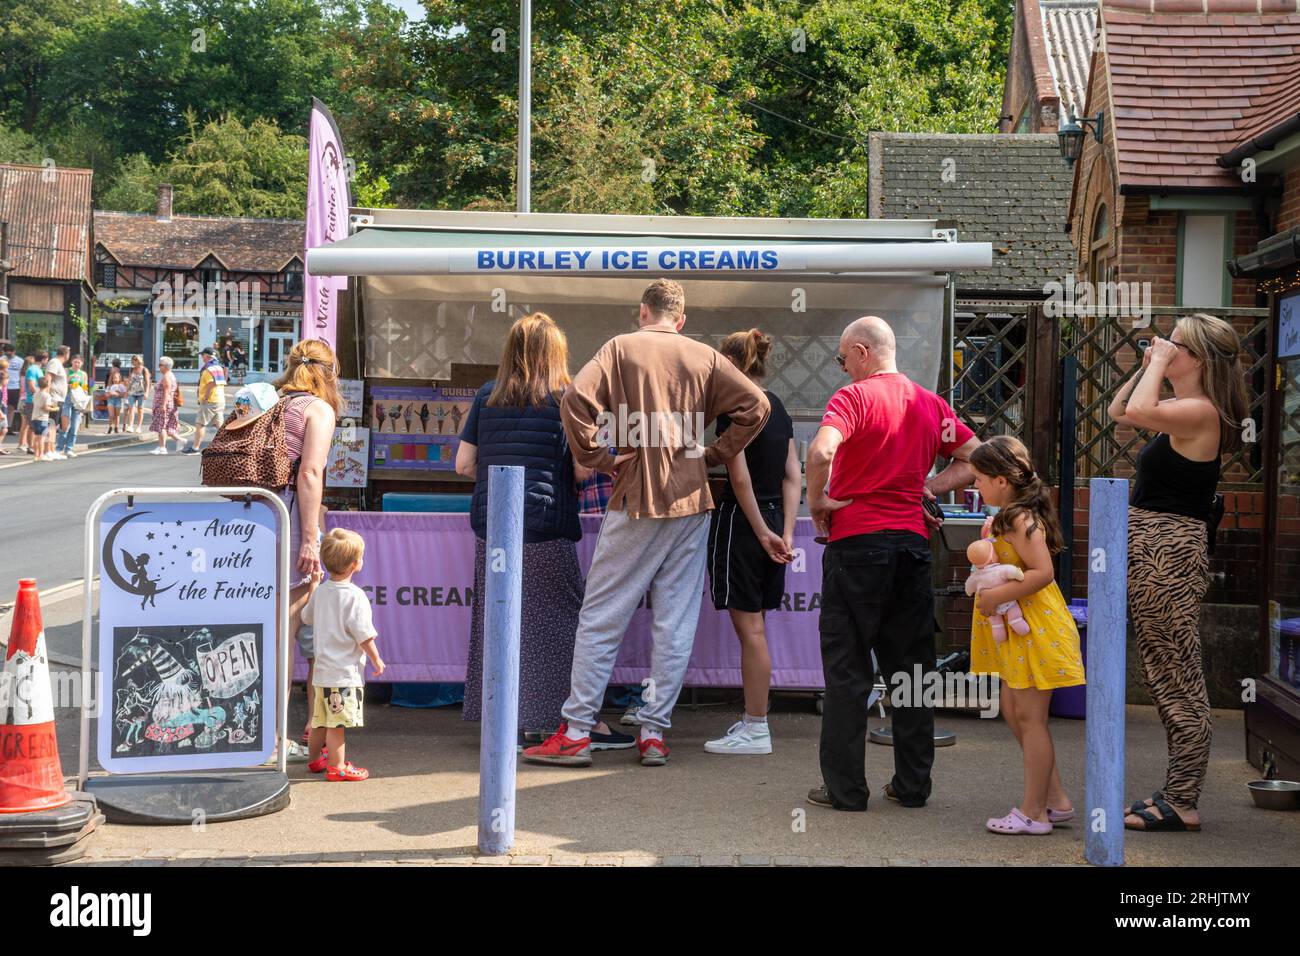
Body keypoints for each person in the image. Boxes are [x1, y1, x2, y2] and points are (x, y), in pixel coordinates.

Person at [524, 278, 770, 768]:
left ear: (643, 312)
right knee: (674, 622)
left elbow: (574, 399)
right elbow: (756, 407)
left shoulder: (620, 349)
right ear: (680, 320)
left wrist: (598, 456)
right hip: (692, 501)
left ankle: (576, 731)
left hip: (635, 496)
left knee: (601, 617)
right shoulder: (703, 356)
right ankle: (654, 733)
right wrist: (716, 453)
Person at [804, 315, 978, 812]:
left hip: (857, 545)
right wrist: (929, 487)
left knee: (847, 671)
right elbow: (977, 457)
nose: (843, 369)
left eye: (842, 359)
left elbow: (820, 452)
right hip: (910, 546)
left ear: (861, 352)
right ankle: (912, 786)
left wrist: (818, 502)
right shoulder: (930, 403)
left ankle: (846, 791)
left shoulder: (852, 399)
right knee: (911, 670)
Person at [455, 313, 635, 752]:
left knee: (499, 622)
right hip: (545, 525)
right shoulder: (567, 400)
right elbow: (579, 467)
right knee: (564, 624)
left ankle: (505, 719)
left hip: (493, 528)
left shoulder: (485, 396)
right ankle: (567, 721)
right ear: (556, 355)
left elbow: (462, 465)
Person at [1107, 313, 1248, 833]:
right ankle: (1175, 790)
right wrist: (1150, 364)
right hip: (1153, 550)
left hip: (1170, 553)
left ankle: (1184, 799)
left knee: (1178, 678)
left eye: (1176, 344)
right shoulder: (1183, 407)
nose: (1165, 346)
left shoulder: (1202, 411)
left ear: (1199, 359)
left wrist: (1156, 364)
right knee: (1164, 672)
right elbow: (1122, 410)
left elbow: (1140, 410)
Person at [966, 436, 1085, 835]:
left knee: (1031, 719)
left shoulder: (1020, 518)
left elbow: (1043, 573)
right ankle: (1056, 801)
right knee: (1014, 712)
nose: (975, 486)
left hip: (1036, 630)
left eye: (980, 478)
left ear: (1001, 480)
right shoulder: (1009, 514)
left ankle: (1034, 813)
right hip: (1020, 633)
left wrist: (995, 595)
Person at [702, 329, 801, 755]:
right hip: (776, 517)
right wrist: (787, 531)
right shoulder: (777, 406)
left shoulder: (734, 409)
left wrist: (760, 531)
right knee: (757, 627)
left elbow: (738, 476)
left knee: (751, 629)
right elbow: (792, 475)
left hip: (743, 523)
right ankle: (754, 722)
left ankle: (756, 727)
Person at [273, 339, 343, 744]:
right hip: (289, 519)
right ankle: (279, 738)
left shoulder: (270, 400)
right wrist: (310, 540)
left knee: (267, 629)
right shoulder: (317, 409)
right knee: (289, 630)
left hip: (251, 520)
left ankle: (257, 728)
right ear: (328, 372)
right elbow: (310, 474)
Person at [303, 528, 384, 781]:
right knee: (337, 725)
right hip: (344, 674)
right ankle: (337, 767)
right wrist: (375, 658)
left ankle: (315, 759)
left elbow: (306, 617)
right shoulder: (356, 597)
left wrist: (314, 584)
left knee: (319, 720)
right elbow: (364, 634)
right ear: (354, 565)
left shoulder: (321, 593)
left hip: (321, 673)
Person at [184, 346, 227, 454]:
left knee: (200, 424)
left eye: (203, 355)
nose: (202, 357)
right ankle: (227, 447)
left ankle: (195, 447)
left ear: (207, 356)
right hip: (219, 399)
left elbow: (211, 383)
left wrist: (205, 397)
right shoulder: (218, 367)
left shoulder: (208, 369)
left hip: (210, 401)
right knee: (219, 425)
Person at [56, 353, 90, 458]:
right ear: (72, 362)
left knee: (74, 426)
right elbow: (61, 384)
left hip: (78, 400)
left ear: (82, 363)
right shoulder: (66, 371)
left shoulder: (83, 374)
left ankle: (69, 449)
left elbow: (85, 387)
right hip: (67, 398)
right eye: (75, 362)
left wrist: (85, 398)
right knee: (65, 426)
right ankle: (58, 448)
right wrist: (70, 380)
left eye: (79, 362)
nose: (77, 364)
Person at [151, 356, 180, 455]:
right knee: (165, 425)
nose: (159, 367)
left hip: (164, 404)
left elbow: (166, 392)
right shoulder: (170, 375)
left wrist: (163, 405)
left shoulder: (167, 376)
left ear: (166, 366)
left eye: (160, 365)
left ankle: (162, 448)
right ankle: (179, 440)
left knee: (161, 426)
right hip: (168, 403)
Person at [44, 346, 69, 459]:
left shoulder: (58, 364)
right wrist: (47, 396)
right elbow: (48, 378)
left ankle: (52, 450)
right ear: (66, 354)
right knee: (51, 424)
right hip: (54, 398)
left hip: (59, 398)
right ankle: (47, 450)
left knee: (54, 425)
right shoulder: (54, 362)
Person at [18, 352, 43, 453]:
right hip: (26, 400)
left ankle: (23, 443)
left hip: (23, 399)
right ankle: (23, 444)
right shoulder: (30, 374)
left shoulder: (23, 375)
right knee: (27, 424)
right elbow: (28, 388)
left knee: (26, 424)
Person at [30, 374, 56, 462]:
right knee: (42, 438)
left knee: (37, 437)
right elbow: (45, 407)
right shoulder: (47, 396)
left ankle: (36, 455)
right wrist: (55, 408)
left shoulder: (35, 394)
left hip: (34, 417)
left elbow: (37, 404)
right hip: (42, 418)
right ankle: (41, 455)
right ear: (48, 385)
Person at [125, 354, 150, 434]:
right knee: (131, 408)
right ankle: (131, 426)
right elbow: (129, 381)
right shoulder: (131, 369)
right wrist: (126, 391)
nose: (133, 362)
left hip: (141, 393)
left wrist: (146, 392)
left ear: (139, 361)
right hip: (132, 392)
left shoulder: (144, 370)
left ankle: (139, 427)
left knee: (140, 409)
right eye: (132, 360)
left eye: (134, 360)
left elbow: (148, 382)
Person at [105, 361, 126, 434]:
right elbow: (106, 394)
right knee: (111, 415)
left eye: (116, 378)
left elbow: (124, 394)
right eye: (114, 378)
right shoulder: (109, 386)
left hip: (118, 400)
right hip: (110, 400)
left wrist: (118, 394)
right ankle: (110, 427)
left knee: (117, 415)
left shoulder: (121, 386)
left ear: (119, 378)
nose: (115, 379)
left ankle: (116, 427)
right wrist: (110, 394)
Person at [4, 343, 21, 429]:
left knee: (11, 407)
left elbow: (22, 375)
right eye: (6, 353)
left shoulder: (20, 361)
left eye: (10, 353)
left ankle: (9, 426)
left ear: (14, 352)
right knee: (2, 406)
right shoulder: (2, 359)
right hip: (3, 387)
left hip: (15, 387)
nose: (8, 355)